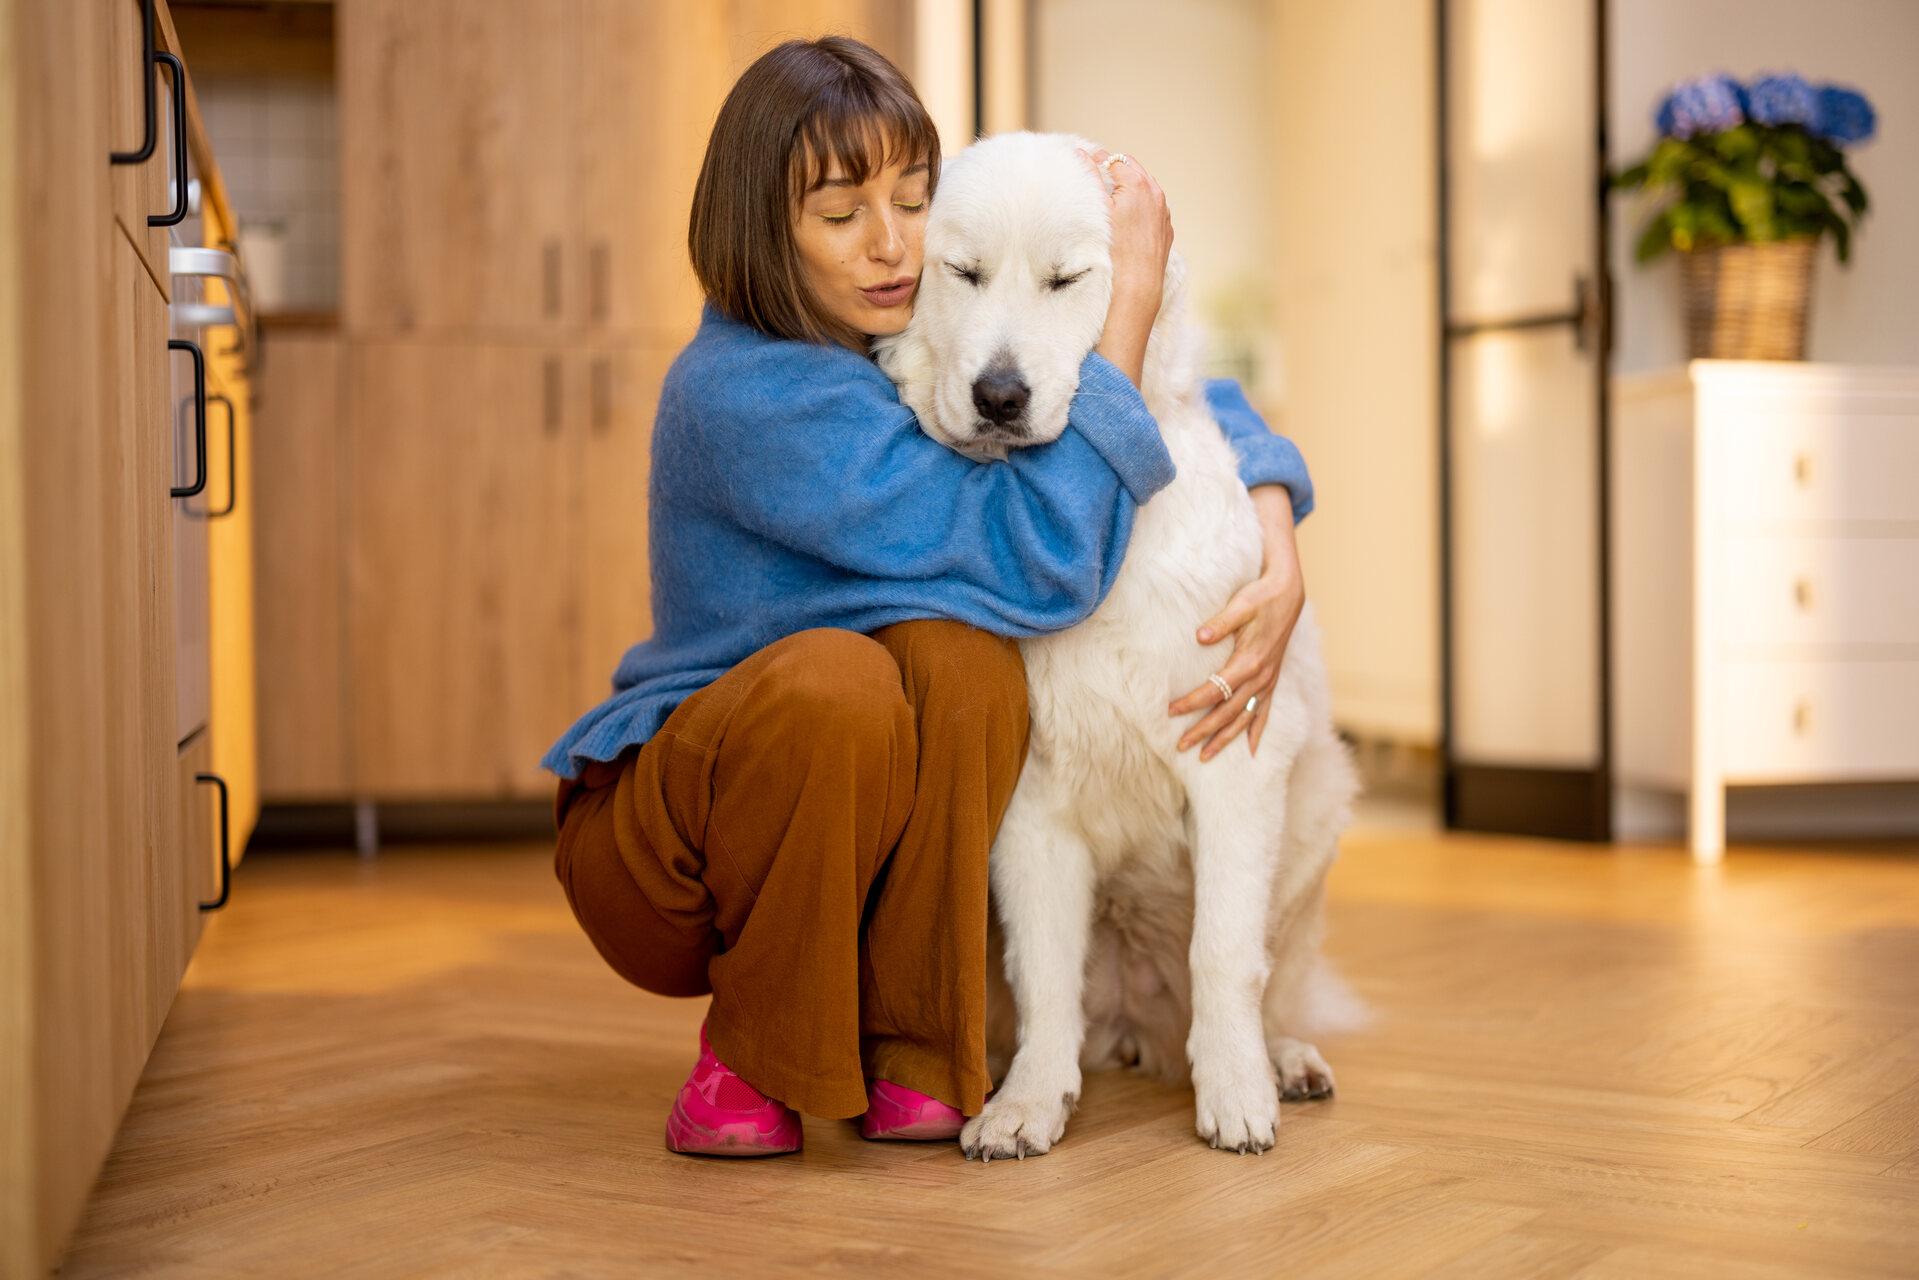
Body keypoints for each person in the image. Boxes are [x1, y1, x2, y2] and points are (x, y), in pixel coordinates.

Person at [544, 35, 1315, 1157]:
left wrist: (1271, 513)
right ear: (763, 228)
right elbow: (1035, 556)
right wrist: (1129, 302)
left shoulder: (901, 320)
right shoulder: (751, 399)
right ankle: (744, 1053)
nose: (891, 244)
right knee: (843, 678)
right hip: (671, 850)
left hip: (825, 814)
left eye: (912, 201)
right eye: (841, 211)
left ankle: (913, 1046)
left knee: (958, 662)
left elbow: (1182, 380)